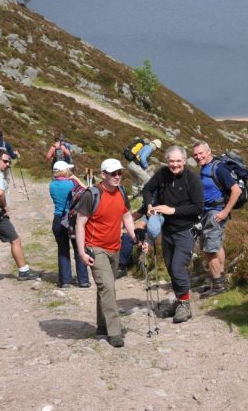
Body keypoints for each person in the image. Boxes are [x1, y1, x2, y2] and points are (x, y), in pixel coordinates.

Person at [75, 158, 137, 348]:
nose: (117, 177)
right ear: (103, 175)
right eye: (113, 174)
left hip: (115, 247)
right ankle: (115, 331)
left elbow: (126, 215)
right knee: (108, 287)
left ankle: (102, 326)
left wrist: (135, 237)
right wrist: (81, 252)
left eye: (120, 173)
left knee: (106, 288)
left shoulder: (122, 192)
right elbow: (80, 224)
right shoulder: (91, 194)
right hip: (96, 248)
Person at [141, 145, 203, 323]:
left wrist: (172, 210)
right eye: (171, 161)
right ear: (166, 161)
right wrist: (149, 206)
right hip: (167, 230)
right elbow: (147, 190)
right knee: (170, 267)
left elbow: (198, 207)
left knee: (177, 267)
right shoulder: (162, 174)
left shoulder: (192, 179)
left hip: (186, 230)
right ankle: (179, 300)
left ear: (184, 161)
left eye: (178, 161)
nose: (175, 165)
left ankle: (185, 305)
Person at [0, 148, 39, 283]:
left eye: (9, 162)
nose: (8, 165)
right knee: (15, 240)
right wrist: (5, 207)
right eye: (5, 161)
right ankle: (23, 271)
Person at [193, 141, 241, 297]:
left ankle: (218, 285)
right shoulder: (204, 167)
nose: (198, 156)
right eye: (195, 154)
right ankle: (220, 280)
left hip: (215, 214)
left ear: (209, 152)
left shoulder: (219, 168)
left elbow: (236, 190)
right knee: (216, 246)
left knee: (210, 249)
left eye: (201, 153)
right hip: (206, 213)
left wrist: (225, 212)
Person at [48, 161, 90, 288]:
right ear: (64, 171)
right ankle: (83, 280)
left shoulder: (52, 185)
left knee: (62, 250)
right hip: (71, 219)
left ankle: (65, 280)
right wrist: (77, 179)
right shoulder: (71, 184)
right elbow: (88, 192)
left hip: (58, 219)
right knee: (78, 248)